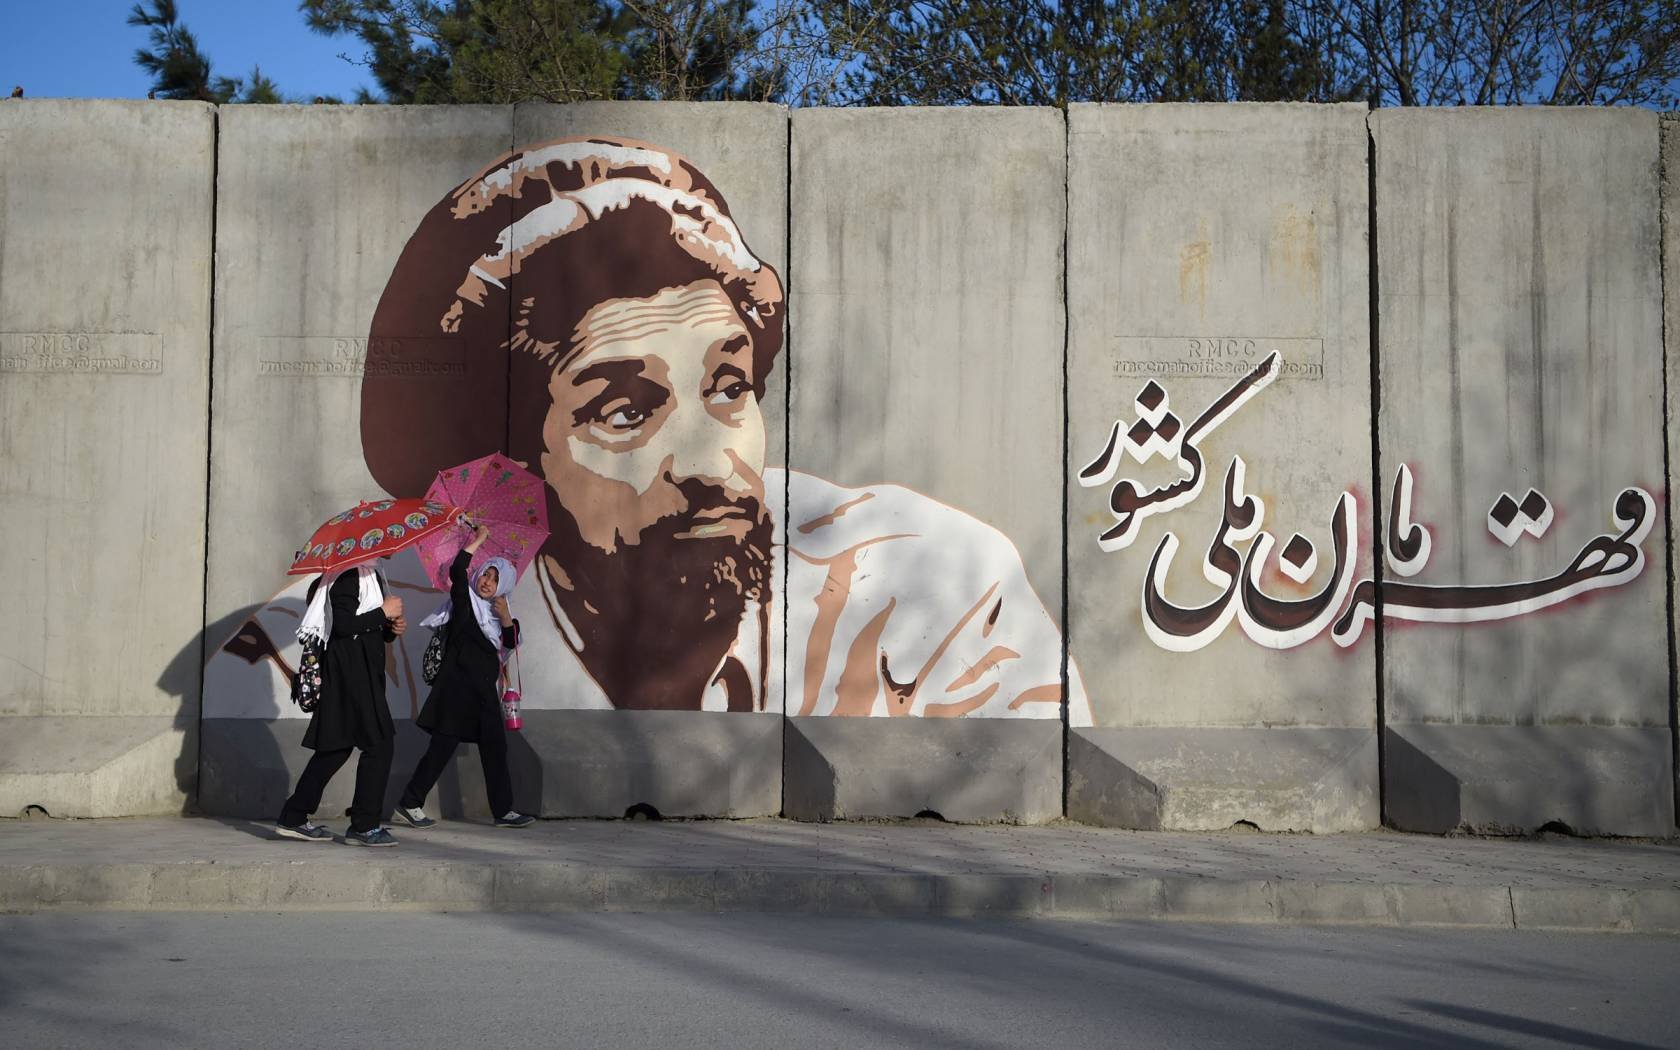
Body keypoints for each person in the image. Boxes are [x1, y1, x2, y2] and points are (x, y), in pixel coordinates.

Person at [358, 137, 1094, 723]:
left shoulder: (931, 590)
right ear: (516, 458)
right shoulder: (401, 614)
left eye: (729, 388)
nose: (710, 465)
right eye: (625, 413)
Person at [391, 522, 536, 830]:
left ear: (504, 586)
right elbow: (458, 572)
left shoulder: (500, 616)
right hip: (456, 693)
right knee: (441, 749)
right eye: (485, 574)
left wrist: (506, 618)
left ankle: (503, 811)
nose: (487, 582)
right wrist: (479, 538)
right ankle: (410, 802)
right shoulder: (465, 604)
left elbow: (509, 646)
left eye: (495, 579)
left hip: (483, 696)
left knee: (495, 749)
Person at [275, 559, 406, 846]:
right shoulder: (348, 575)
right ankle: (364, 825)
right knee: (380, 745)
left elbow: (367, 628)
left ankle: (293, 816)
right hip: (352, 674)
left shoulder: (371, 575)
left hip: (360, 673)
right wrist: (383, 612)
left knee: (336, 747)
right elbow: (343, 625)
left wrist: (390, 629)